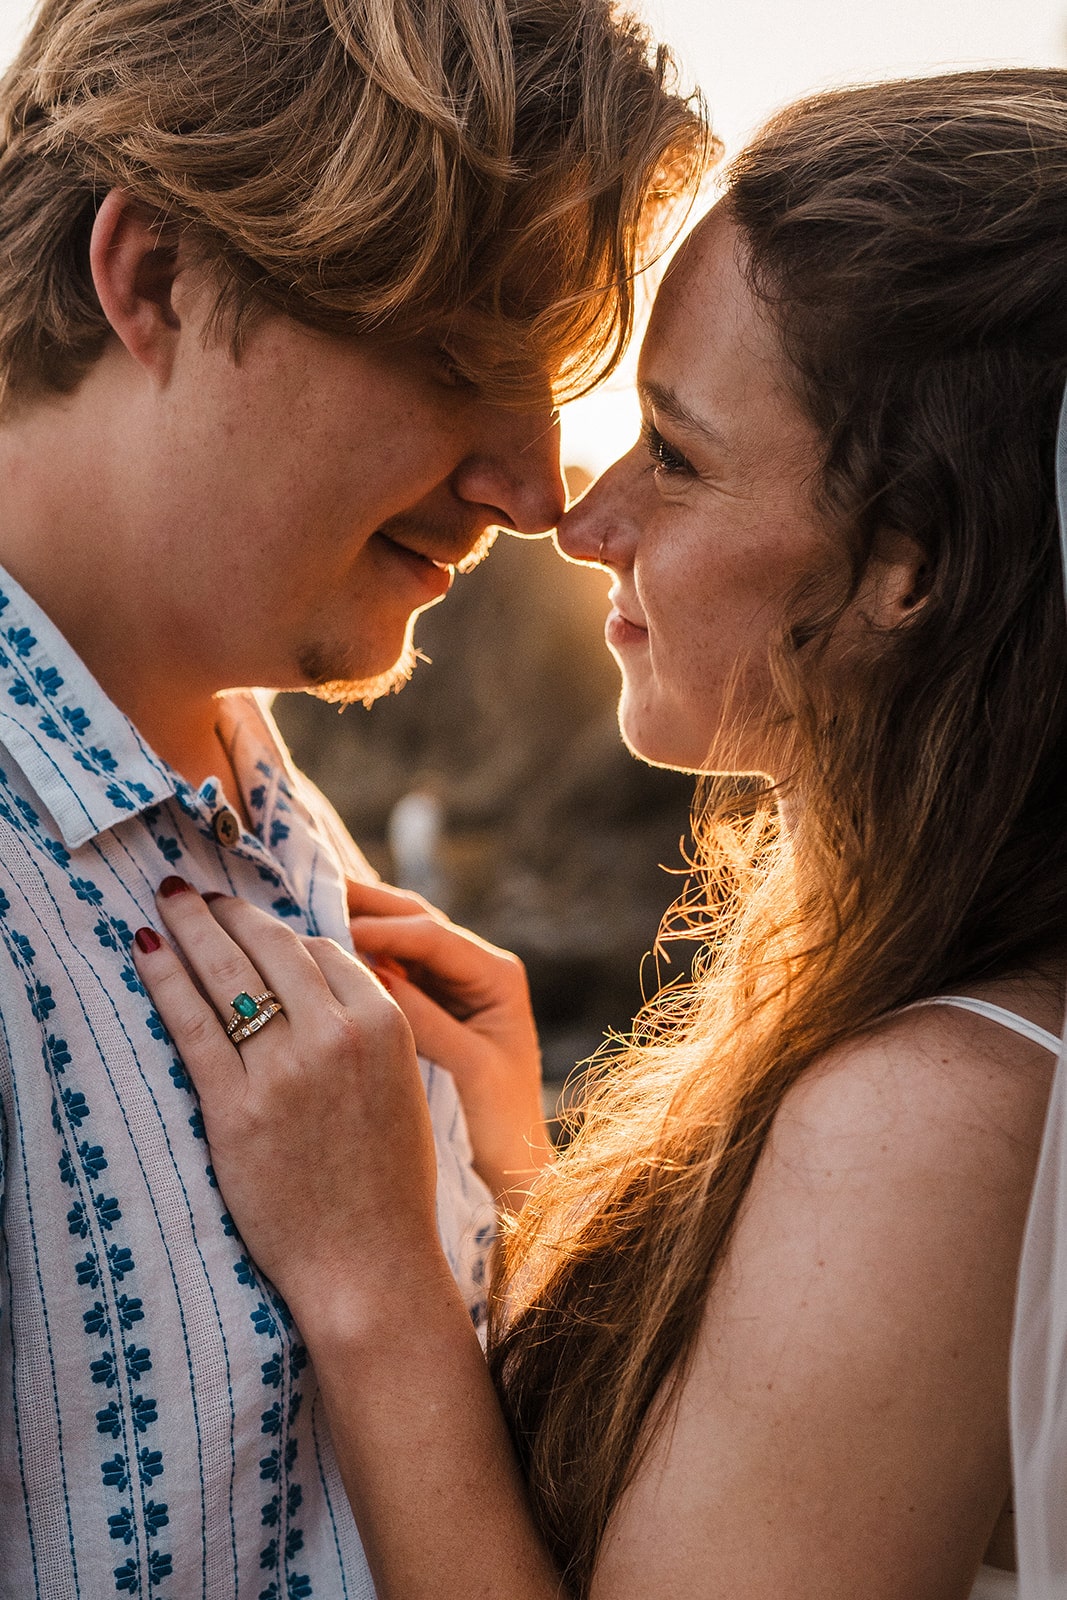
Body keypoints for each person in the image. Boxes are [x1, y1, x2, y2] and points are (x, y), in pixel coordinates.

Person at [132, 69, 1067, 1600]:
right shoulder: (949, 1033)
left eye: (678, 455)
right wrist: (524, 1173)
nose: (582, 518)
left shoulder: (938, 1118)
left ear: (909, 567)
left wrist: (373, 1277)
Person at [0, 1, 707, 1593]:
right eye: (462, 358)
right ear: (154, 278)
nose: (539, 492)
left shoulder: (259, 791)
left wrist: (511, 1190)